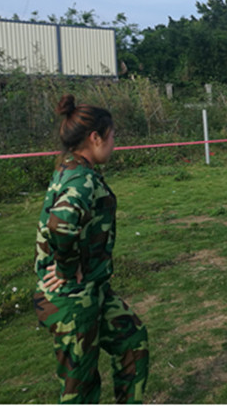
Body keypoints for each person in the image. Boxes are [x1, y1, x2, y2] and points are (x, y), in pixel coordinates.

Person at [34, 94, 149, 403]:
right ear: (95, 138)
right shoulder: (81, 178)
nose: (114, 144)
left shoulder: (72, 168)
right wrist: (66, 268)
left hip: (93, 289)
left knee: (132, 340)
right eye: (112, 137)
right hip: (72, 298)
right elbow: (61, 223)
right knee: (80, 388)